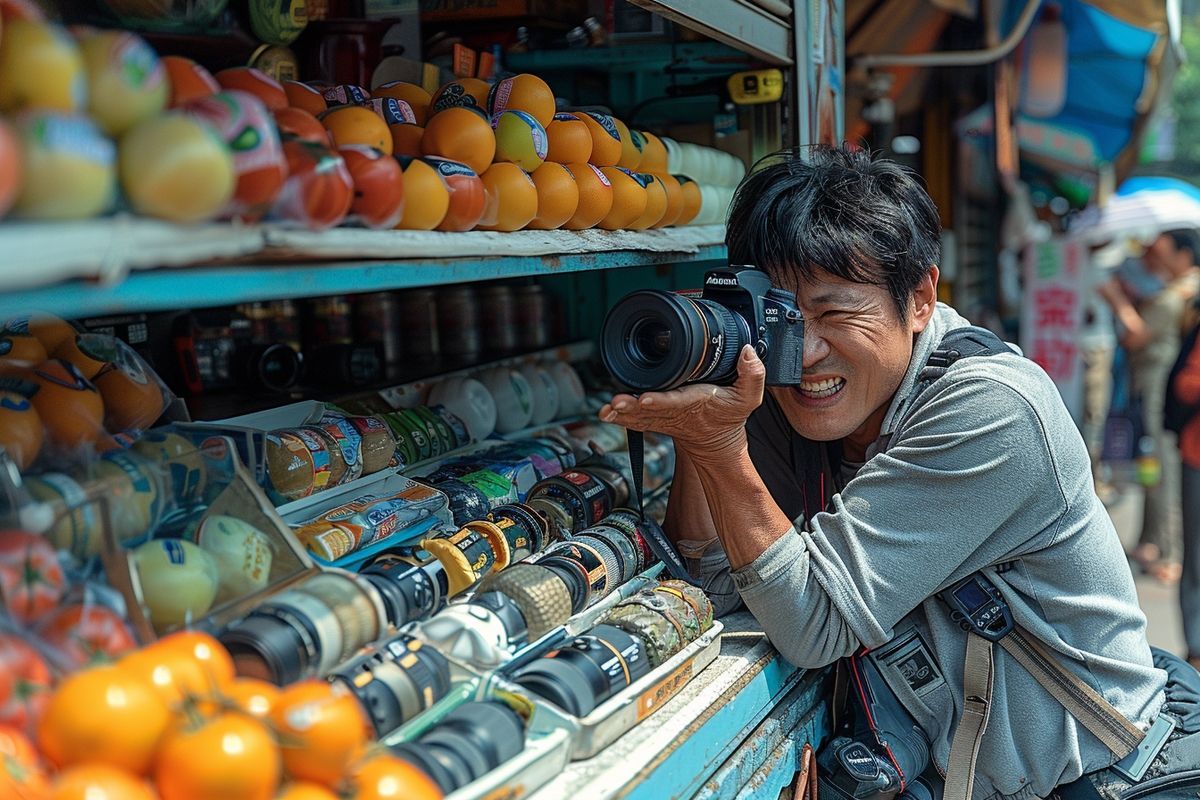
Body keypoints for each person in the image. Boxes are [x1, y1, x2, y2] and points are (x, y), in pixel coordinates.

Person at [600, 146, 1198, 800]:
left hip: (1096, 784)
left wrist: (717, 448)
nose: (807, 351)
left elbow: (813, 623)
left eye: (835, 313)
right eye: (782, 320)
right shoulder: (784, 389)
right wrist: (702, 408)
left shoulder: (992, 409)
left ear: (918, 299)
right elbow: (713, 588)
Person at [1098, 233, 1200, 582]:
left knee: (1162, 465)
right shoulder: (1180, 289)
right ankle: (1152, 541)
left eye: (1163, 250)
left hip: (1159, 384)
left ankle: (1167, 550)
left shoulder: (1179, 293)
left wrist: (1117, 302)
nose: (1155, 257)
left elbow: (1136, 335)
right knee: (1152, 463)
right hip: (1154, 383)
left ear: (1184, 254)